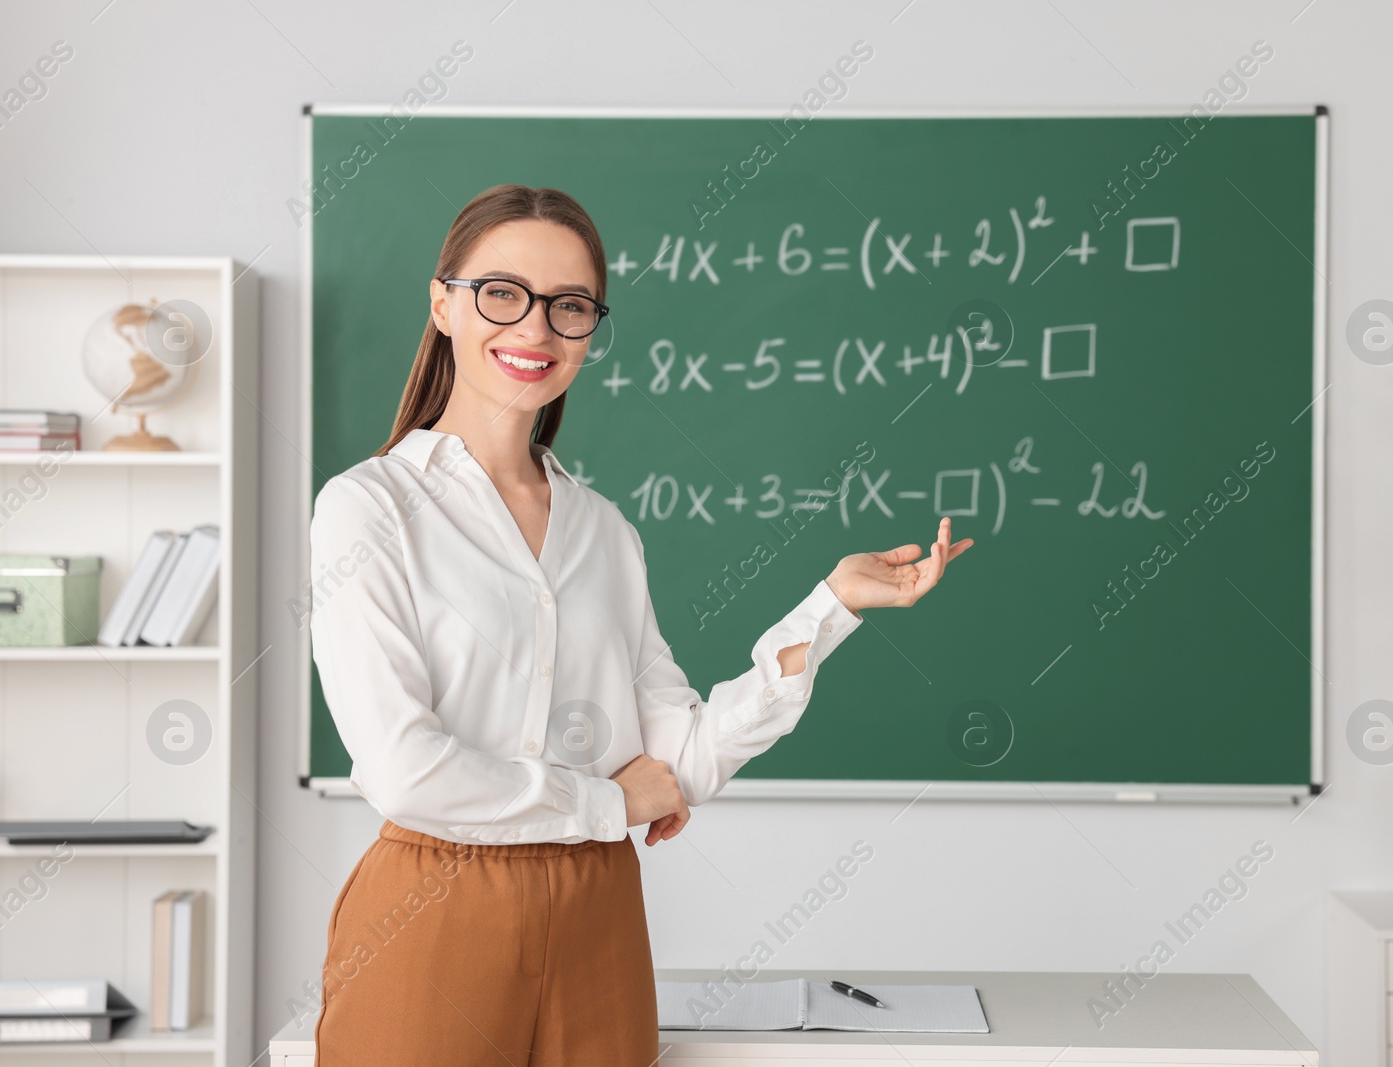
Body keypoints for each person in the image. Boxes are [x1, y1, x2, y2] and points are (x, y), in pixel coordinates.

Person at [307, 183, 972, 1066]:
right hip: (434, 907)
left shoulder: (605, 532)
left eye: (569, 306)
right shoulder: (368, 508)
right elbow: (403, 769)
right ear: (444, 302)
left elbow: (682, 761)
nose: (535, 329)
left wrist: (832, 606)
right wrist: (606, 801)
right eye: (503, 293)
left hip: (598, 917)